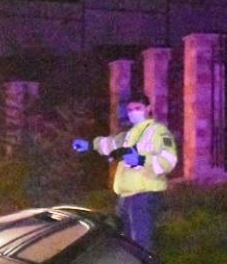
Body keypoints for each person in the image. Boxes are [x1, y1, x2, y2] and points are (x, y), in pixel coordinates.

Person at [72, 92, 178, 251]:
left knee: (141, 246)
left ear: (148, 108)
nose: (133, 112)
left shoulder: (158, 132)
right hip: (125, 198)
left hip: (143, 196)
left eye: (138, 108)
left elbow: (168, 161)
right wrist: (89, 145)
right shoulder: (129, 135)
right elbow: (110, 144)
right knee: (124, 245)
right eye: (130, 109)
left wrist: (141, 160)